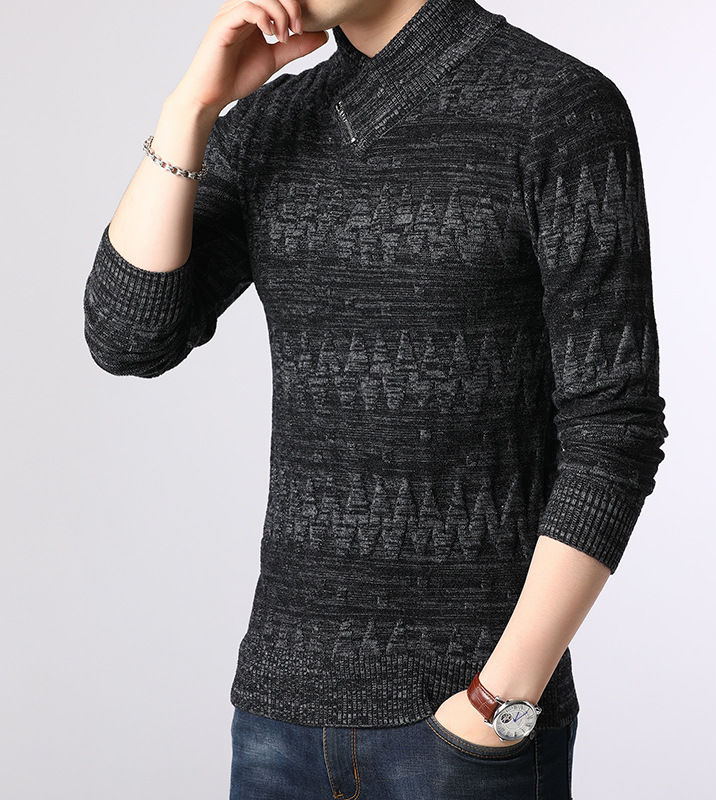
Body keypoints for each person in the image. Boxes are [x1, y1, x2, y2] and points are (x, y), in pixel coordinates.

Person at [82, 0, 669, 797]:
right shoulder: (273, 122)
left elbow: (614, 430)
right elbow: (127, 337)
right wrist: (191, 108)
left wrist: (498, 699)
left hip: (469, 727)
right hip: (280, 718)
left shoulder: (557, 108)